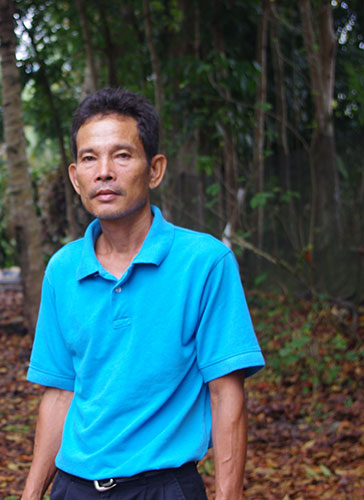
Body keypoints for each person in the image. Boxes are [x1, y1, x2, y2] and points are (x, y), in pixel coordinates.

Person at [21, 88, 265, 500]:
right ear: (75, 176)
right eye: (89, 158)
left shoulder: (204, 262)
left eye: (121, 155)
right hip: (72, 487)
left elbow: (226, 394)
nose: (103, 172)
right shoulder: (62, 269)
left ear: (154, 170)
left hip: (164, 487)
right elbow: (60, 393)